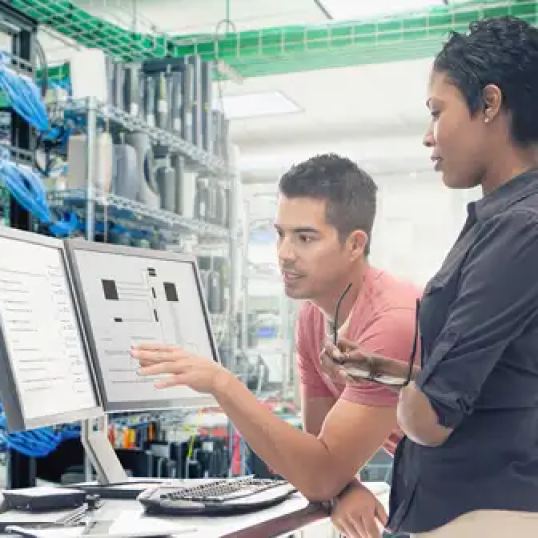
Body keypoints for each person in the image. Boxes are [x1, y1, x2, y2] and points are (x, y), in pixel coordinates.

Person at [323, 15, 538, 538]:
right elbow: (494, 378)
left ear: (489, 105)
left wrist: (405, 401)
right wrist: (390, 371)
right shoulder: (500, 221)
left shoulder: (519, 230)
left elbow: (430, 420)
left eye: (437, 112)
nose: (428, 136)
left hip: (481, 515)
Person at [131, 154, 421, 538]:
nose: (284, 253)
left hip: (493, 495)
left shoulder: (393, 321)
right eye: (280, 234)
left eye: (305, 238)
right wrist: (344, 488)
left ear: (354, 244)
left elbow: (319, 474)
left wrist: (222, 384)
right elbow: (318, 454)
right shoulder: (313, 317)